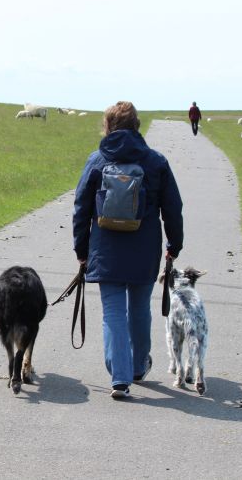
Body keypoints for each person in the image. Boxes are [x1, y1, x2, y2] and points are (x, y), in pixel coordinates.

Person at [72, 101, 183, 399]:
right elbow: (173, 208)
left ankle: (119, 378)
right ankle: (137, 366)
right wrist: (175, 245)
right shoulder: (156, 161)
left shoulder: (96, 160)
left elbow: (81, 208)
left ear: (107, 127)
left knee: (112, 312)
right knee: (139, 308)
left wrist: (81, 250)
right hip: (145, 250)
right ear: (137, 126)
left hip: (105, 251)